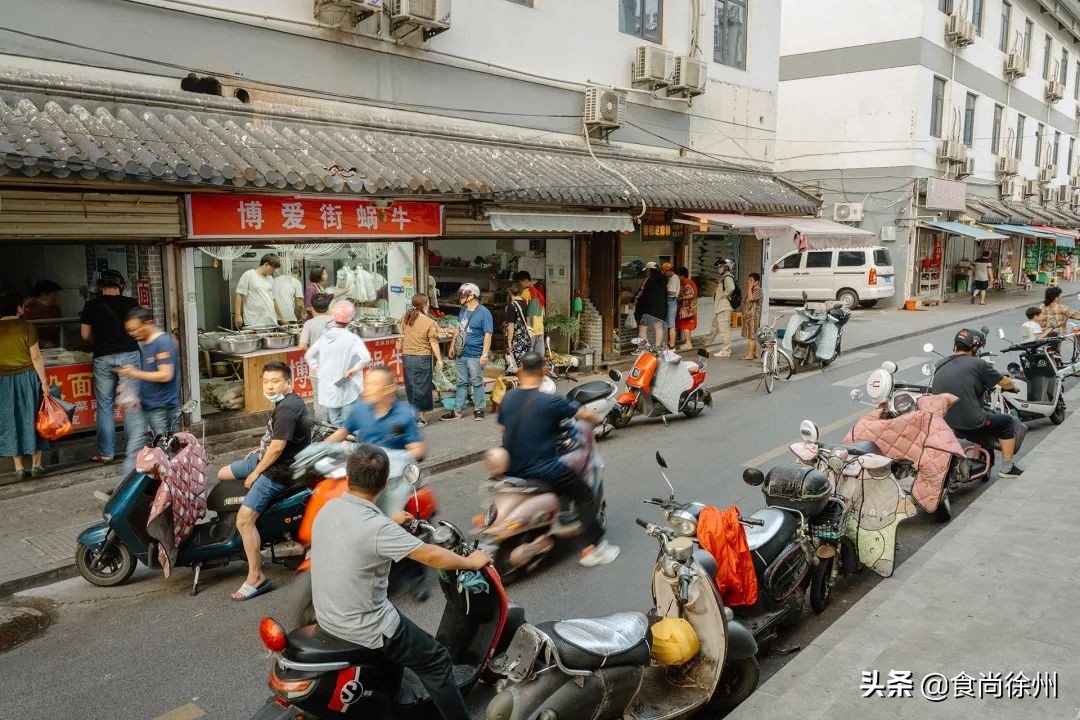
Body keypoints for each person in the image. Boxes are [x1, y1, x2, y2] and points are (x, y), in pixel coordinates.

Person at [310, 445, 490, 720]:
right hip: (365, 626)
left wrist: (388, 519)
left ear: (348, 476)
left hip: (328, 616)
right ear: (384, 483)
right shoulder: (379, 529)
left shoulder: (329, 507)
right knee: (437, 660)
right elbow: (431, 554)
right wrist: (471, 562)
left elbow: (357, 528)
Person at [487, 352, 620, 567]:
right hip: (544, 470)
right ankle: (596, 549)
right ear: (544, 371)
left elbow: (503, 428)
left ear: (520, 371)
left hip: (512, 469)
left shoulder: (509, 398)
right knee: (584, 494)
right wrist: (597, 419)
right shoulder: (551, 401)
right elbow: (584, 415)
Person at [219, 361, 312, 600]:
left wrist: (256, 472)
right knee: (222, 474)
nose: (270, 387)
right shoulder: (285, 402)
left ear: (287, 383)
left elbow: (278, 448)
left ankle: (255, 576)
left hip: (277, 470)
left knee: (244, 519)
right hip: (265, 458)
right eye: (266, 382)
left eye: (275, 382)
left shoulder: (288, 409)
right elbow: (274, 439)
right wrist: (259, 449)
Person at [930, 329, 1023, 478]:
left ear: (956, 346)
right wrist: (1014, 386)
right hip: (970, 422)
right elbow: (1005, 382)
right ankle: (1007, 468)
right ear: (975, 348)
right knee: (1006, 422)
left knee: (982, 417)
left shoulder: (940, 363)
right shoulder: (979, 363)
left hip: (944, 422)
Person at [79, 270, 141, 467]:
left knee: (105, 406)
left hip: (103, 357)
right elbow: (140, 331)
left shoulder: (91, 306)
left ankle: (106, 453)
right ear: (121, 285)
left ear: (100, 287)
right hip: (129, 356)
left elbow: (85, 335)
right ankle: (134, 451)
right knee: (130, 405)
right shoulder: (131, 304)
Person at [0, 293, 49, 480]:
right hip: (27, 378)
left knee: (9, 420)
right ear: (18, 308)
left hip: (3, 380)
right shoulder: (27, 327)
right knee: (34, 417)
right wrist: (44, 381)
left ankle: (19, 467)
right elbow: (36, 357)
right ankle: (36, 465)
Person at [304, 300, 371, 427]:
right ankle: (352, 442)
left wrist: (317, 369)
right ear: (350, 320)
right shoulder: (353, 338)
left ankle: (341, 441)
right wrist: (354, 369)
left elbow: (309, 355)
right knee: (350, 419)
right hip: (347, 381)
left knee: (336, 420)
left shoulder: (325, 337)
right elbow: (366, 358)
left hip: (330, 383)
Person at [117, 308, 182, 437]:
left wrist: (133, 373)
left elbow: (165, 375)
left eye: (135, 329)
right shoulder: (146, 342)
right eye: (129, 330)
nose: (132, 333)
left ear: (148, 323)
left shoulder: (163, 342)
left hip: (163, 407)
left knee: (167, 450)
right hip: (150, 405)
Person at [442, 283, 492, 422]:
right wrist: (452, 347)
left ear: (473, 296)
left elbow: (488, 334)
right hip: (461, 353)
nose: (461, 297)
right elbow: (458, 329)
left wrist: (485, 355)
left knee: (476, 382)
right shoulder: (463, 310)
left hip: (475, 354)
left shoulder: (484, 312)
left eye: (464, 295)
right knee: (461, 383)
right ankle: (458, 410)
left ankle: (479, 409)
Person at [398, 294, 442, 427]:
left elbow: (402, 334)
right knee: (423, 387)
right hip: (422, 357)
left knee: (411, 387)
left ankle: (413, 415)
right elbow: (433, 343)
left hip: (407, 356)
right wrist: (439, 359)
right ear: (425, 304)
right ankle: (421, 418)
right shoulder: (429, 322)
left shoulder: (405, 317)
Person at [235, 253, 282, 329]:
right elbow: (239, 294)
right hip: (254, 322)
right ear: (266, 264)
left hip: (271, 321)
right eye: (273, 268)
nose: (273, 271)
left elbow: (273, 299)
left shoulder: (270, 278)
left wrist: (282, 317)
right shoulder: (249, 274)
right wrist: (238, 315)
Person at [633, 263, 667, 349]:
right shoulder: (663, 279)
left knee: (643, 327)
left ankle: (642, 348)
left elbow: (641, 292)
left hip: (646, 308)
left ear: (650, 270)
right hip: (660, 307)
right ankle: (657, 347)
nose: (646, 272)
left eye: (647, 270)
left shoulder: (648, 279)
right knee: (658, 327)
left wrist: (633, 301)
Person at [708, 259, 736, 358]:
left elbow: (731, 288)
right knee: (715, 327)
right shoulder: (724, 277)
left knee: (724, 330)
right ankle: (706, 343)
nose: (719, 269)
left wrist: (724, 295)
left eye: (720, 267)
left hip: (724, 308)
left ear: (726, 267)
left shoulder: (727, 277)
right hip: (720, 308)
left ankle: (726, 350)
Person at [512, 270, 545, 354]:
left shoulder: (526, 292)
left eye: (520, 283)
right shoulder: (538, 293)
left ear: (526, 281)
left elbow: (519, 310)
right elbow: (543, 312)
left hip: (529, 329)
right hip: (540, 328)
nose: (519, 286)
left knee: (528, 358)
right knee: (538, 358)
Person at [503, 283, 531, 372]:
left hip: (516, 339)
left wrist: (509, 341)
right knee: (525, 363)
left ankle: (520, 382)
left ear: (510, 292)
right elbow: (527, 320)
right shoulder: (524, 303)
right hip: (525, 337)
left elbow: (511, 325)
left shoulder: (512, 306)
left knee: (515, 365)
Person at [740, 272, 763, 361]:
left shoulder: (758, 290)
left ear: (756, 282)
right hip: (749, 316)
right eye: (748, 280)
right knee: (752, 335)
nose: (748, 281)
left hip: (754, 317)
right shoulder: (753, 290)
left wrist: (749, 287)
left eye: (751, 280)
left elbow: (751, 298)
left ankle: (749, 355)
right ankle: (754, 353)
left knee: (752, 336)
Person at [675, 266, 698, 351]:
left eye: (678, 275)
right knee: (686, 326)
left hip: (687, 309)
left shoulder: (686, 282)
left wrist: (681, 298)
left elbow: (691, 294)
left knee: (686, 326)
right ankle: (688, 343)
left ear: (681, 275)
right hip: (688, 308)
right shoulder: (688, 282)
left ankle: (688, 343)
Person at [662, 262, 680, 349]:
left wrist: (663, 291)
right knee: (669, 323)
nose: (665, 274)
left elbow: (672, 292)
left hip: (671, 301)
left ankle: (672, 345)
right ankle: (670, 343)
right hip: (670, 301)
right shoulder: (671, 278)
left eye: (665, 272)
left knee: (671, 324)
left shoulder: (674, 278)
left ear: (669, 270)